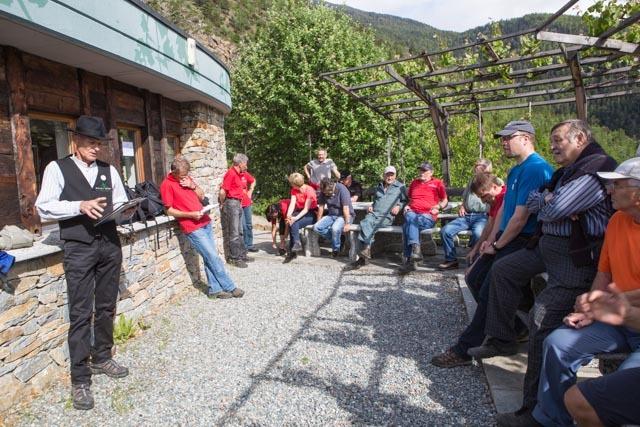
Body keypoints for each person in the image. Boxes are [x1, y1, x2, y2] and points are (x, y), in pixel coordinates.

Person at [468, 119, 617, 427]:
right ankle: (503, 337)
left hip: (574, 261)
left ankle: (536, 412)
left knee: (542, 320)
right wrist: (550, 201)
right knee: (503, 269)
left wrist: (550, 202)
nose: (552, 146)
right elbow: (540, 202)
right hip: (547, 248)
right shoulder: (568, 171)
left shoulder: (595, 168)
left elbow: (551, 208)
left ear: (579, 138)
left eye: (558, 140)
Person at [430, 120, 553, 369]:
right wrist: (491, 242)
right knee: (475, 277)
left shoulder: (536, 168)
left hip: (526, 239)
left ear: (526, 139)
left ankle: (465, 349)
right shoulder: (516, 170)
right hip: (508, 237)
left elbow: (520, 218)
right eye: (502, 138)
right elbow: (503, 212)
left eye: (509, 137)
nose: (504, 142)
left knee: (490, 285)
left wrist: (497, 246)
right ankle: (512, 329)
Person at [529, 157, 640, 427]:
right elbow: (604, 273)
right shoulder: (617, 221)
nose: (609, 191)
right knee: (557, 344)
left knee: (616, 395)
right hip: (616, 321)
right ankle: (554, 420)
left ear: (638, 194)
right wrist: (590, 310)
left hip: (630, 318)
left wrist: (611, 304)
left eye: (617, 185)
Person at [35, 115, 130, 410]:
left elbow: (120, 199)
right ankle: (79, 379)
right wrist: (79, 206)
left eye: (99, 143)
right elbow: (43, 208)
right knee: (80, 312)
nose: (96, 148)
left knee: (107, 305)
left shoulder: (108, 170)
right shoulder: (57, 168)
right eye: (91, 142)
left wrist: (126, 210)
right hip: (78, 247)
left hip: (109, 244)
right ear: (76, 141)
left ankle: (102, 357)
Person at [160, 157, 244, 301]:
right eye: (182, 176)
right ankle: (230, 287)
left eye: (187, 174)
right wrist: (190, 215)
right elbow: (168, 210)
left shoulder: (187, 179)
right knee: (213, 256)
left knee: (209, 257)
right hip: (192, 226)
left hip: (205, 221)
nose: (185, 177)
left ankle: (214, 290)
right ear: (173, 172)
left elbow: (202, 195)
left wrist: (192, 185)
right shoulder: (167, 185)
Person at [564, 283, 640, 427]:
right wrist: (625, 314)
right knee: (578, 399)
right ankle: (550, 419)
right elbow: (603, 277)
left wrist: (619, 302)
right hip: (623, 324)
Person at [439, 159, 491, 270]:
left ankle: (474, 260)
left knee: (478, 233)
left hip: (482, 216)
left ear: (486, 167)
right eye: (475, 165)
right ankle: (451, 260)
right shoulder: (472, 180)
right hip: (466, 216)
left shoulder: (491, 181)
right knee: (445, 231)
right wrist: (462, 206)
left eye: (479, 165)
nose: (476, 167)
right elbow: (465, 196)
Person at [352, 165, 407, 267]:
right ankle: (365, 252)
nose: (389, 177)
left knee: (367, 226)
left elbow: (405, 200)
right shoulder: (378, 187)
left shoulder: (400, 187)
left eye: (392, 175)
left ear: (395, 176)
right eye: (387, 175)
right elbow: (376, 201)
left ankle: (363, 256)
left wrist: (399, 206)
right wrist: (371, 206)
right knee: (365, 223)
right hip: (374, 214)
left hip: (387, 216)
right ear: (383, 175)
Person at [400, 161, 447, 272]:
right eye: (420, 170)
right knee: (410, 217)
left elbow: (445, 200)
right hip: (413, 213)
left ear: (431, 172)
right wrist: (407, 206)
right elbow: (411, 199)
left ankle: (409, 259)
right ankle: (415, 252)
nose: (421, 172)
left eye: (424, 170)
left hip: (427, 216)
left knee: (407, 225)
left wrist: (438, 207)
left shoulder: (437, 183)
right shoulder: (414, 183)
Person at [219, 153, 252, 268]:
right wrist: (222, 203)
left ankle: (242, 255)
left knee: (240, 231)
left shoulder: (238, 174)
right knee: (234, 233)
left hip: (238, 203)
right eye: (245, 164)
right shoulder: (231, 173)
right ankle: (235, 258)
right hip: (232, 203)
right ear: (240, 163)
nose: (246, 166)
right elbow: (223, 191)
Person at [313, 178, 354, 257]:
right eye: (324, 193)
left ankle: (336, 250)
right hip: (331, 215)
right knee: (316, 227)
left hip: (344, 215)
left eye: (327, 192)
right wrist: (318, 221)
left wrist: (347, 223)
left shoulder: (342, 189)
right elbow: (321, 207)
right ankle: (339, 239)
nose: (326, 194)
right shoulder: (323, 190)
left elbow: (346, 208)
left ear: (332, 187)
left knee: (335, 228)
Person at [284, 172, 318, 262]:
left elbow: (306, 209)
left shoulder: (309, 190)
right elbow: (292, 204)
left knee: (294, 222)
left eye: (291, 183)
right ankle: (296, 244)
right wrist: (289, 215)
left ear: (295, 184)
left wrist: (295, 218)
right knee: (291, 221)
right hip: (299, 212)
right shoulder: (294, 190)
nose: (291, 185)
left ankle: (292, 251)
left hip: (311, 213)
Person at [240, 169, 257, 252]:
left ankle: (250, 245)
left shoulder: (245, 174)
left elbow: (253, 180)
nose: (246, 167)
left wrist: (251, 190)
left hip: (247, 203)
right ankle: (244, 246)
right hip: (239, 205)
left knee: (249, 225)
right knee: (243, 226)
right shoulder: (232, 174)